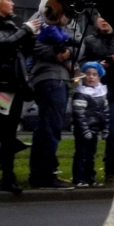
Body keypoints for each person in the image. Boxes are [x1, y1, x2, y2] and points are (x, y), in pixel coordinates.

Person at [28, 12, 82, 190]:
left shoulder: (72, 21)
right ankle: (45, 174)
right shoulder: (42, 16)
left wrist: (67, 53)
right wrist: (57, 54)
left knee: (48, 127)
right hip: (49, 77)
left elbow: (80, 46)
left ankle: (40, 174)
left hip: (62, 79)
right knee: (50, 127)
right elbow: (34, 45)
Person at [80, 13, 114, 185]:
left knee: (113, 136)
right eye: (100, 16)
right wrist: (95, 66)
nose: (104, 19)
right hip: (92, 95)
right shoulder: (89, 41)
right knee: (89, 135)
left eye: (107, 16)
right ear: (95, 21)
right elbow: (81, 63)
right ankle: (87, 174)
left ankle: (109, 173)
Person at [0, 0, 40, 195]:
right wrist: (25, 30)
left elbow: (22, 51)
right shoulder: (11, 28)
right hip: (2, 88)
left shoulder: (11, 26)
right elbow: (3, 45)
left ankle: (8, 176)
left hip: (13, 88)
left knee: (9, 135)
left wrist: (30, 36)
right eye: (9, 0)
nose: (13, 3)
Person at [71, 62, 110, 188]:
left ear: (99, 77)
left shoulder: (101, 93)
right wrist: (84, 130)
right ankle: (79, 178)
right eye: (87, 74)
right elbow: (79, 114)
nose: (91, 77)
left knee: (91, 155)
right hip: (83, 130)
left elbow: (106, 113)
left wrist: (105, 129)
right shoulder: (81, 93)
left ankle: (90, 178)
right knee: (81, 154)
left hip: (95, 130)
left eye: (94, 74)